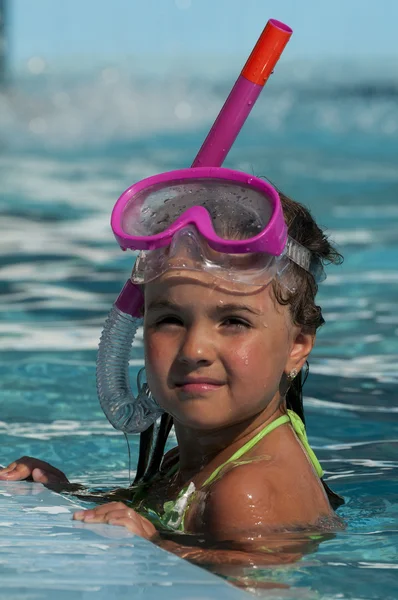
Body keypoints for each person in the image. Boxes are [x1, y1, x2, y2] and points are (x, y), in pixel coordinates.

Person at [0, 168, 344, 571]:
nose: (194, 349)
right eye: (169, 320)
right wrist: (66, 493)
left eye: (234, 321)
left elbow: (257, 583)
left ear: (296, 347)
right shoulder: (199, 459)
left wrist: (152, 544)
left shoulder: (246, 489)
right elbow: (160, 514)